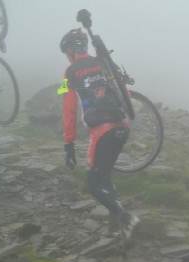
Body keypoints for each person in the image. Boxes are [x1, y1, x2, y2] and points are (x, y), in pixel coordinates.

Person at [58, 28, 139, 238]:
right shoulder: (102, 62)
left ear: (71, 50)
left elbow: (68, 109)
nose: (66, 56)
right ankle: (119, 229)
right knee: (104, 175)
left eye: (66, 52)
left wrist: (69, 145)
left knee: (93, 184)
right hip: (123, 126)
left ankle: (126, 218)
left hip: (102, 131)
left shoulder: (69, 73)